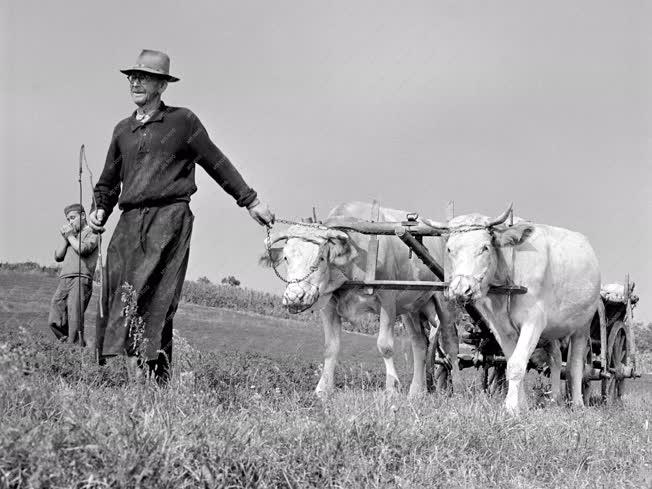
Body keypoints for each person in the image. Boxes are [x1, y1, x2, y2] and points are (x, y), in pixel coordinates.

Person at [89, 49, 275, 381]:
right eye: (132, 76)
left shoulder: (182, 121)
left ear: (161, 85)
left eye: (143, 77)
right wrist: (99, 210)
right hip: (129, 223)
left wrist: (250, 200)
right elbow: (107, 181)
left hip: (168, 219)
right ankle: (123, 379)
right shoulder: (122, 131)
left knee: (155, 296)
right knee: (119, 295)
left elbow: (216, 162)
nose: (135, 82)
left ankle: (153, 382)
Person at [48, 203, 99, 345]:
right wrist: (66, 238)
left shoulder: (94, 232)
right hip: (65, 278)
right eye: (68, 219)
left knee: (75, 318)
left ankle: (76, 353)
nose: (70, 222)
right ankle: (68, 345)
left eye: (72, 218)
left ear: (83, 216)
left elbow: (83, 249)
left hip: (81, 279)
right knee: (55, 315)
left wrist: (70, 235)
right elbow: (58, 256)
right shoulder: (72, 236)